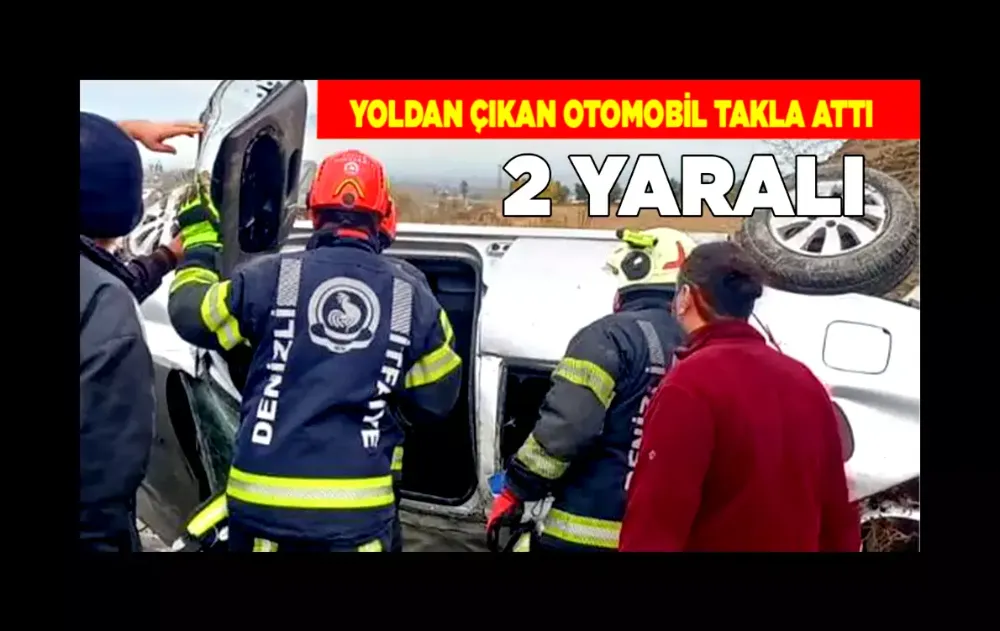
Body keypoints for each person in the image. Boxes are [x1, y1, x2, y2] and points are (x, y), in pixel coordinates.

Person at [167, 149, 462, 552]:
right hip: (355, 518)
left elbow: (192, 315)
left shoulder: (271, 277)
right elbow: (436, 400)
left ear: (312, 211)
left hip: (261, 510)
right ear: (386, 216)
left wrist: (200, 246)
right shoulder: (412, 299)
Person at [618, 241, 860, 552]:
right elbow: (838, 514)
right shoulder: (805, 382)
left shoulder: (689, 385)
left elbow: (656, 520)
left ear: (685, 297)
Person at [486, 227, 692, 552]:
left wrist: (517, 488)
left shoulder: (609, 336)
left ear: (633, 273)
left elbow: (568, 428)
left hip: (583, 532)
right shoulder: (700, 347)